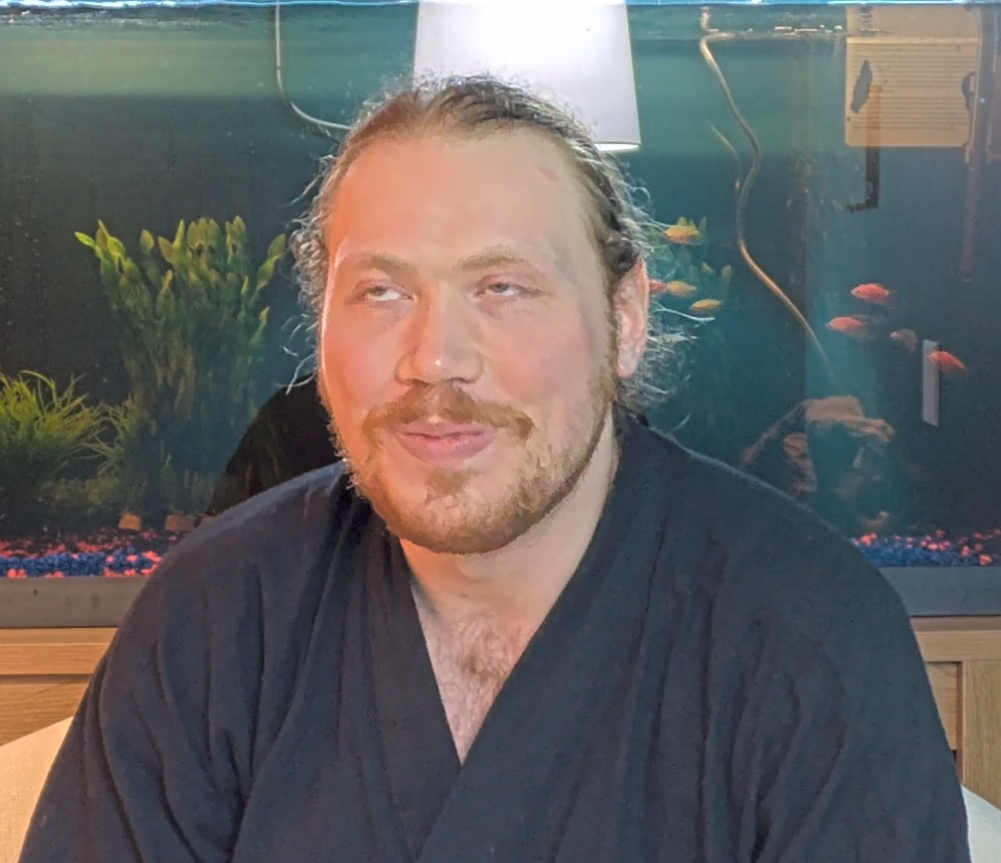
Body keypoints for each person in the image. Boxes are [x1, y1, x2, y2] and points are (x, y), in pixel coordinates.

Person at [19, 75, 970, 863]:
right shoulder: (214, 622)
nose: (435, 358)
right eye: (381, 291)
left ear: (625, 318)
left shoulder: (807, 635)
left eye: (503, 287)